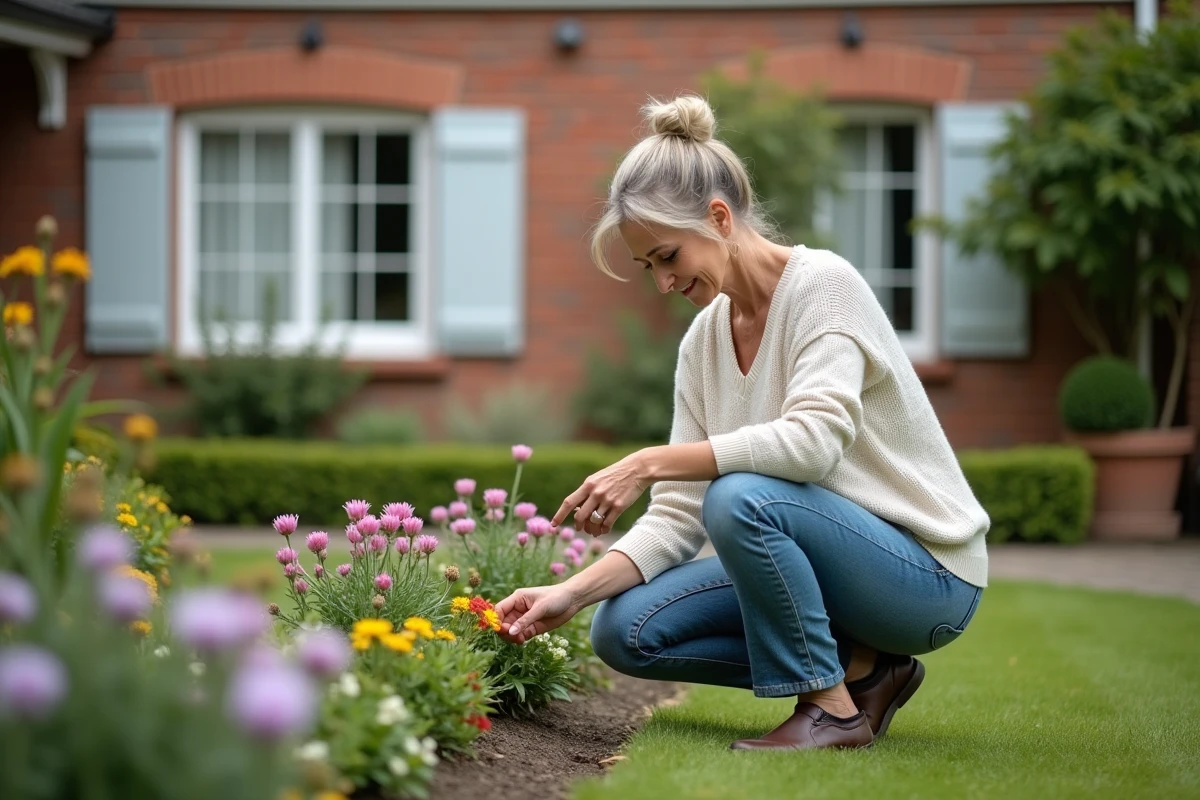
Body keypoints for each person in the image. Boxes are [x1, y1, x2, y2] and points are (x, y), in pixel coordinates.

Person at [495, 94, 988, 751]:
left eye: (668, 256)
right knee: (625, 631)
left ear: (719, 217)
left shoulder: (824, 287)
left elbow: (811, 446)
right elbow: (677, 518)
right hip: (832, 566)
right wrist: (570, 592)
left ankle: (830, 710)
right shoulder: (703, 343)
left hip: (927, 580)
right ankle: (866, 673)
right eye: (649, 267)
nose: (663, 282)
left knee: (741, 495)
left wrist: (646, 462)